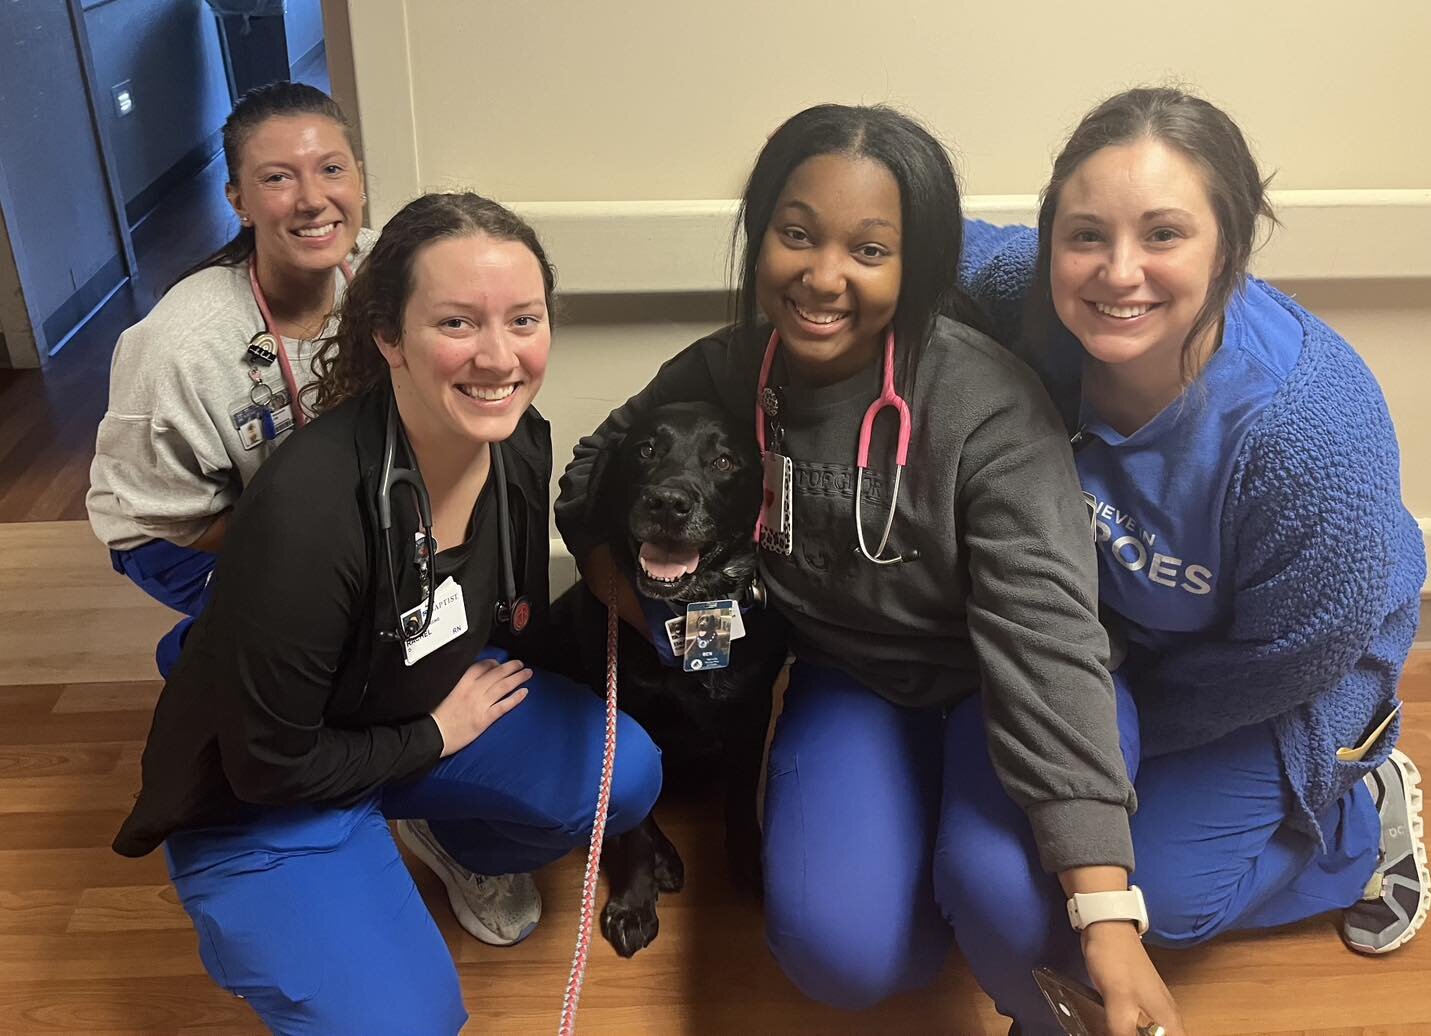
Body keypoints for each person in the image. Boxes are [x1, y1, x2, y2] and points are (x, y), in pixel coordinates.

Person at [556, 104, 1184, 1036]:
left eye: (869, 250)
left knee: (1017, 915)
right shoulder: (733, 369)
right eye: (796, 235)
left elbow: (1050, 645)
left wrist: (1104, 911)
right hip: (853, 683)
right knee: (842, 957)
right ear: (760, 236)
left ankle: (982, 871)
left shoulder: (986, 405)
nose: (822, 277)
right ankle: (926, 861)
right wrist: (628, 591)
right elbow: (591, 477)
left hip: (997, 683)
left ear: (916, 265)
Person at [110, 193, 664, 1034]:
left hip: (401, 704)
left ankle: (451, 838)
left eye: (524, 319)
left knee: (628, 774)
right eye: (456, 323)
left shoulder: (517, 443)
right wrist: (435, 738)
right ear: (387, 336)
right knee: (408, 1024)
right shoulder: (308, 512)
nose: (498, 356)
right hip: (265, 789)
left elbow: (494, 614)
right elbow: (268, 765)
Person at [961, 86, 1429, 963]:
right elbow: (919, 229)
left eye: (1164, 234)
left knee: (1157, 903)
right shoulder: (1026, 298)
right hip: (1131, 636)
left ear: (1231, 250)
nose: (1118, 271)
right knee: (1046, 854)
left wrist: (1124, 734)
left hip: (1288, 671)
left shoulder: (1309, 433)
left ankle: (1355, 824)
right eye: (1086, 233)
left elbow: (1291, 656)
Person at [88, 82, 376, 676]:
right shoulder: (179, 345)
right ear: (238, 200)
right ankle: (202, 658)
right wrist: (325, 547)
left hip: (312, 506)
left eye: (331, 169)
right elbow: (170, 513)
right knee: (326, 630)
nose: (313, 199)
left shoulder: (387, 278)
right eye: (277, 178)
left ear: (360, 180)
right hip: (177, 528)